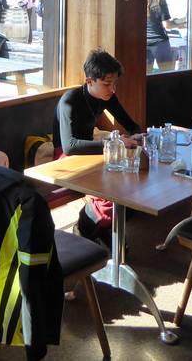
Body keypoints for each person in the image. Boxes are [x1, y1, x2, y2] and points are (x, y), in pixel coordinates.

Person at [53, 49, 139, 242]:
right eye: (107, 84)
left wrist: (138, 135)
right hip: (66, 158)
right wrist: (114, 142)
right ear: (89, 81)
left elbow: (131, 124)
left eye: (114, 83)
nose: (112, 89)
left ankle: (101, 228)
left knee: (129, 184)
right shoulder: (70, 101)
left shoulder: (107, 97)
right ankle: (86, 226)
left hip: (91, 151)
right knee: (110, 191)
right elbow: (69, 146)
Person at [146, 0, 174, 72]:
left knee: (145, 76)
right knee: (166, 74)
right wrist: (179, 24)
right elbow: (167, 25)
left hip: (144, 43)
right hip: (160, 43)